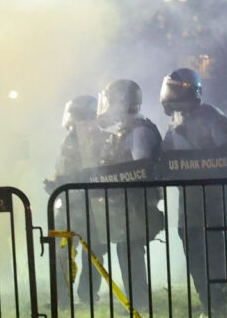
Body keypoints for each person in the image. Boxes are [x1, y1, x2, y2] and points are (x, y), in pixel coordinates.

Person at [160, 68, 227, 315]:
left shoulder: (213, 117)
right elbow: (167, 152)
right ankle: (206, 301)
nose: (169, 95)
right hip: (188, 196)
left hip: (212, 195)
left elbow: (224, 153)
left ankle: (220, 305)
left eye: (174, 89)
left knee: (213, 251)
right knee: (192, 251)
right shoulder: (176, 120)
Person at [95, 79, 164, 313]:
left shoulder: (140, 131)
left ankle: (139, 302)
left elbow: (139, 169)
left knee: (131, 251)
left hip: (135, 203)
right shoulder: (128, 129)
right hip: (127, 203)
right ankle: (135, 300)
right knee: (126, 250)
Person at [47, 95, 105, 305]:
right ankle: (61, 298)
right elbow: (62, 169)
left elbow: (94, 172)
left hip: (91, 206)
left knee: (93, 254)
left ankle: (88, 296)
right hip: (68, 204)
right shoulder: (69, 139)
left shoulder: (97, 139)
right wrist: (55, 184)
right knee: (61, 252)